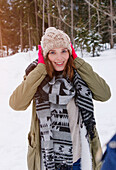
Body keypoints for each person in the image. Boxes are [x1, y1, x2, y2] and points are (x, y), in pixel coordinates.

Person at [9, 27, 111, 170]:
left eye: (64, 51)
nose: (59, 58)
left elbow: (104, 94)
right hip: (48, 160)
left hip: (80, 158)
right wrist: (40, 69)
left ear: (70, 52)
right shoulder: (37, 78)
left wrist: (78, 62)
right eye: (52, 52)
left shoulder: (79, 75)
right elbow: (16, 103)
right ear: (45, 55)